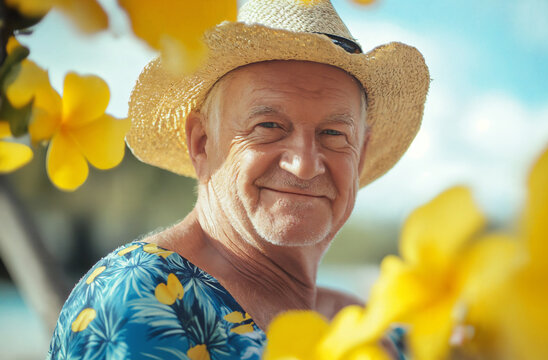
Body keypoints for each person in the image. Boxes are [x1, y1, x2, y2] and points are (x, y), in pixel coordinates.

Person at [47, 0, 429, 359]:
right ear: (202, 142)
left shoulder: (361, 323)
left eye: (333, 134)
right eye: (268, 126)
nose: (305, 165)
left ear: (360, 153)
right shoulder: (138, 298)